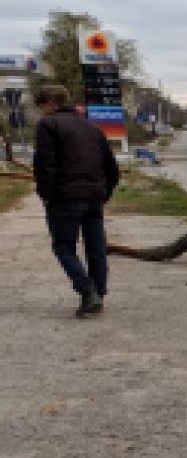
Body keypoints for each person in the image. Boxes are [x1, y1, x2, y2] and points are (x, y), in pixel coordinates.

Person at [33, 84, 118, 317]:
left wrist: (46, 195)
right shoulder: (93, 127)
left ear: (50, 103)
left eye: (42, 106)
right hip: (94, 197)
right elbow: (111, 166)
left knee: (63, 246)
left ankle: (87, 291)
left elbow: (44, 165)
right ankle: (99, 292)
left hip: (65, 197)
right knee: (96, 247)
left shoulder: (48, 125)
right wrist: (104, 191)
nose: (42, 111)